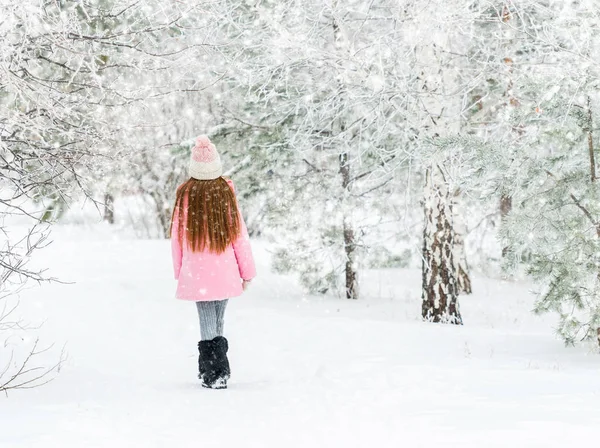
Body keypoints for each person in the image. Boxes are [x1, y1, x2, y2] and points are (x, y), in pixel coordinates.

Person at [170, 135, 256, 389]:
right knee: (218, 315)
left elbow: (176, 235)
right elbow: (239, 234)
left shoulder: (186, 193)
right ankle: (218, 369)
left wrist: (180, 270)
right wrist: (247, 271)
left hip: (196, 270)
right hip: (225, 267)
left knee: (207, 316)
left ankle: (213, 370)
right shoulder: (224, 191)